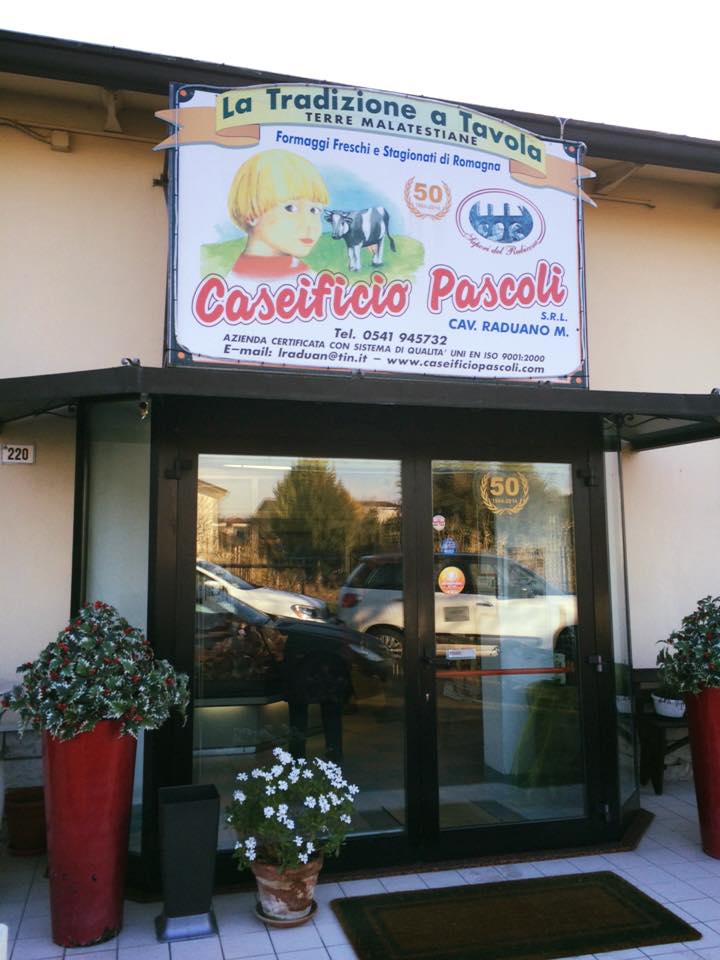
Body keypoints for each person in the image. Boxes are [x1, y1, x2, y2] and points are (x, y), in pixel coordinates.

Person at [226, 149, 329, 282]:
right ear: (252, 215)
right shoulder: (234, 281)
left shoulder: (313, 280)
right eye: (291, 208)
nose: (310, 225)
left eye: (314, 210)